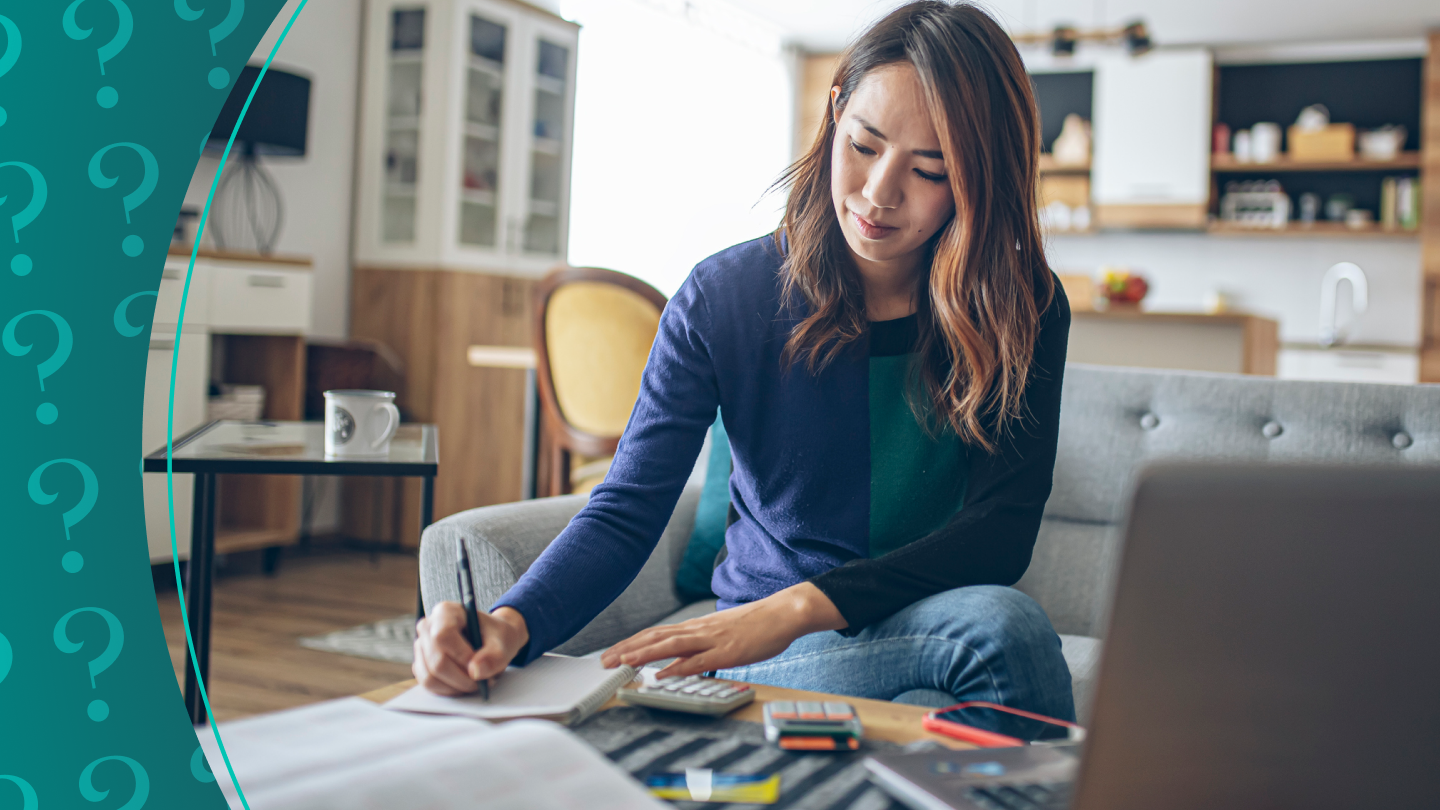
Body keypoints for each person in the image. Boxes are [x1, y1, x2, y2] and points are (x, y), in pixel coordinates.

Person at [414, 0, 1075, 728]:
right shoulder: (725, 296)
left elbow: (1002, 529)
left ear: (982, 180)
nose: (879, 194)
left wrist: (797, 606)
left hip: (907, 621)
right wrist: (510, 623)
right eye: (863, 146)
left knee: (944, 688)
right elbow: (629, 507)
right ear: (834, 112)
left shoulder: (1023, 306)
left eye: (929, 170)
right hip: (773, 647)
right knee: (1002, 634)